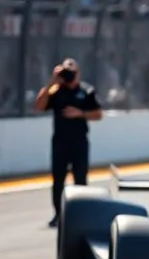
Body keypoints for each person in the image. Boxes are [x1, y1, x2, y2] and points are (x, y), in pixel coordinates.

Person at [37, 58, 103, 227]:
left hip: (79, 141)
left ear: (78, 73)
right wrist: (51, 82)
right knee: (58, 180)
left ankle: (81, 214)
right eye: (65, 72)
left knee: (80, 179)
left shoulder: (86, 91)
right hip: (60, 142)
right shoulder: (56, 91)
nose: (68, 76)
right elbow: (39, 106)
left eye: (71, 72)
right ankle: (59, 214)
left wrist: (80, 113)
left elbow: (98, 114)